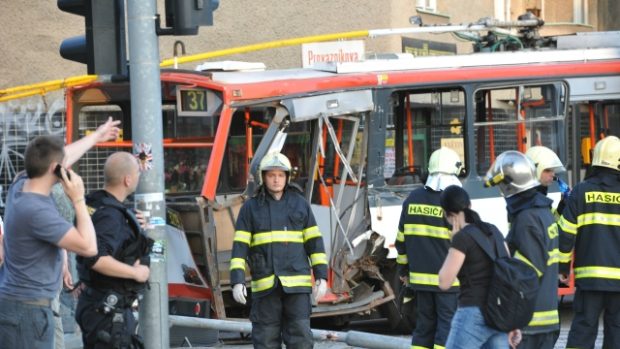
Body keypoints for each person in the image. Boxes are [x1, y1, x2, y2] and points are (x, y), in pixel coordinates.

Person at [0, 117, 120, 349]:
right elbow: (89, 247)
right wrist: (78, 199)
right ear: (56, 169)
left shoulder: (20, 184)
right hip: (28, 314)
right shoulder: (36, 212)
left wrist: (96, 136)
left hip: (18, 307)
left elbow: (60, 157)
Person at [229, 152, 328, 349]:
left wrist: (321, 277)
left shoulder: (300, 204)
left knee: (300, 339)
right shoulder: (250, 208)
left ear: (287, 177)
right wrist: (237, 281)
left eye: (281, 175)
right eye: (271, 175)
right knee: (265, 341)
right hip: (266, 286)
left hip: (297, 287)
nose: (276, 179)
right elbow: (240, 248)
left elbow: (315, 244)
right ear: (263, 177)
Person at [75, 152, 153, 349]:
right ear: (127, 180)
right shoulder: (110, 216)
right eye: (137, 173)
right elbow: (96, 258)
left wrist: (133, 223)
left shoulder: (95, 203)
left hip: (96, 305)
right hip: (108, 312)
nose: (139, 176)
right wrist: (136, 272)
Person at [485, 151, 560, 349]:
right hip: (546, 319)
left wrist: (512, 322)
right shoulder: (544, 212)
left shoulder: (527, 219)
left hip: (529, 324)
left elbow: (525, 277)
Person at [395, 147, 463, 349]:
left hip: (420, 282)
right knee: (446, 329)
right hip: (449, 283)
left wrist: (404, 271)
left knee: (423, 329)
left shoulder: (412, 200)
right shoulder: (454, 203)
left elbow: (401, 241)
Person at [438, 185, 520, 349]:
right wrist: (512, 323)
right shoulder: (494, 231)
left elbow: (444, 282)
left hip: (473, 314)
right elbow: (510, 275)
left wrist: (453, 242)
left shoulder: (462, 238)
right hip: (498, 313)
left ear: (449, 215)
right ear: (469, 206)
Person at [558, 135, 620, 348]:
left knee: (583, 331)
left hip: (589, 280)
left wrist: (563, 267)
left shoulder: (581, 191)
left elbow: (565, 233)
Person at [525, 145, 570, 216]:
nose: (553, 174)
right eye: (548, 170)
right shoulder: (528, 204)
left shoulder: (540, 198)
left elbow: (551, 221)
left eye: (553, 171)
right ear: (534, 169)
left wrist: (562, 206)